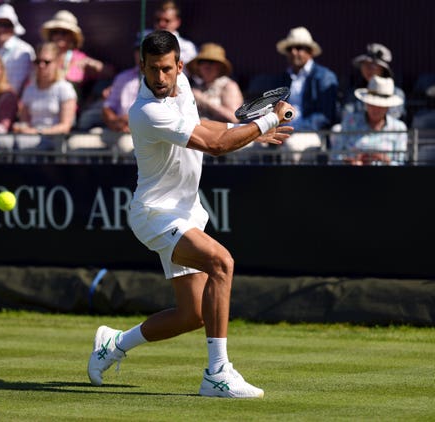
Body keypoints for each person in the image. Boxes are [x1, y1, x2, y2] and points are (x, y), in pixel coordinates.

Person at [86, 30, 293, 398]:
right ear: (142, 68)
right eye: (152, 70)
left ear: (179, 66)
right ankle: (217, 373)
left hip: (186, 212)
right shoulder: (147, 111)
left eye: (167, 69)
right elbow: (213, 146)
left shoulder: (179, 85)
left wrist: (246, 132)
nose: (160, 78)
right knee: (222, 262)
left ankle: (114, 344)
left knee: (193, 315)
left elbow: (207, 128)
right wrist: (265, 123)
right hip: (155, 215)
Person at [40, 9, 114, 110]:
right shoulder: (43, 57)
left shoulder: (79, 58)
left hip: (71, 112)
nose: (59, 36)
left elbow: (109, 73)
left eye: (64, 32)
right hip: (43, 107)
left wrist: (94, 64)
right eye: (55, 32)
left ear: (72, 37)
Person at [12, 42, 77, 153]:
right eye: (38, 62)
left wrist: (38, 132)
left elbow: (65, 126)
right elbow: (25, 120)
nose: (41, 66)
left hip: (54, 139)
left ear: (57, 62)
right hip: (30, 137)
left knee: (24, 144)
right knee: (6, 141)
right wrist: (21, 127)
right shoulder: (30, 89)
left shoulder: (65, 88)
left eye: (46, 62)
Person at [331, 75, 407, 166]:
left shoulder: (398, 128)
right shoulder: (349, 121)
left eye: (381, 106)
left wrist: (385, 160)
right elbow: (335, 157)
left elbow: (401, 163)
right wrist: (350, 162)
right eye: (372, 104)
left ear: (387, 107)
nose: (376, 109)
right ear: (366, 103)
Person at [274, 26, 339, 131]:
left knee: (292, 144)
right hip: (281, 131)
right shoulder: (284, 77)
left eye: (299, 47)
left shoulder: (325, 76)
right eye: (289, 49)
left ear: (310, 51)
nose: (294, 52)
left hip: (311, 133)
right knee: (252, 142)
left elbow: (325, 116)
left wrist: (296, 130)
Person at [343, 43, 405, 121]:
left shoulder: (396, 94)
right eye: (365, 65)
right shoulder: (354, 93)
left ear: (383, 70)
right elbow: (347, 117)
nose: (368, 69)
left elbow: (393, 120)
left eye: (373, 66)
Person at [187, 42, 243, 123]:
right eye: (202, 61)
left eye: (211, 62)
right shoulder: (196, 87)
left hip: (221, 133)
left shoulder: (228, 86)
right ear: (198, 66)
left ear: (220, 66)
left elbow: (234, 118)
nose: (207, 66)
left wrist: (204, 100)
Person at [153, 0, 197, 65]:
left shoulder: (187, 47)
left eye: (167, 20)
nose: (161, 24)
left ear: (177, 22)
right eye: (158, 20)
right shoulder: (144, 40)